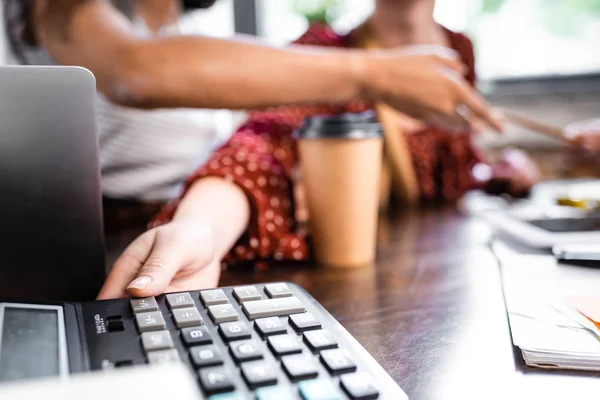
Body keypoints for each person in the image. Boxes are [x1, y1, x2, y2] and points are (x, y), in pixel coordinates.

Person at [97, 0, 540, 299]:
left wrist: (497, 170)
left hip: (450, 287)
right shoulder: (324, 55)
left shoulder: (459, 51)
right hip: (349, 297)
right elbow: (259, 148)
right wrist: (198, 229)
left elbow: (452, 167)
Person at [3, 0, 501, 233]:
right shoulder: (61, 8)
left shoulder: (196, 21)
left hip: (195, 222)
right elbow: (135, 72)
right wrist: (374, 72)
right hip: (110, 239)